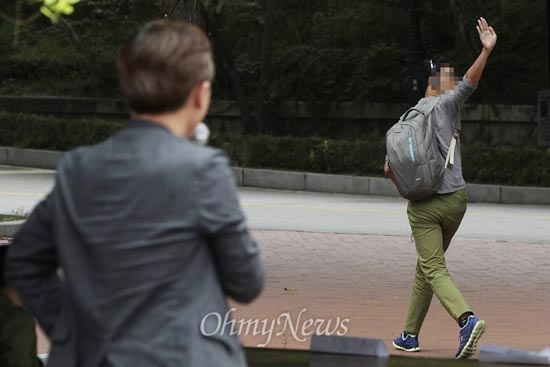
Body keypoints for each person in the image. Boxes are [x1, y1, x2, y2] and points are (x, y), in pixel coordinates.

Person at [5, 20, 264, 367]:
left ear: (129, 89)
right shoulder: (202, 169)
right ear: (201, 94)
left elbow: (23, 261)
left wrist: (69, 330)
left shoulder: (78, 169)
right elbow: (246, 281)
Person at [385, 17, 497, 359]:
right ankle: (409, 334)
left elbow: (389, 168)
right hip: (455, 201)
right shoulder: (448, 105)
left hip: (422, 206)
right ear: (442, 83)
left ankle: (467, 320)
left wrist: (408, 187)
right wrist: (486, 50)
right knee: (427, 266)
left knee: (432, 267)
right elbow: (470, 83)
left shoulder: (406, 119)